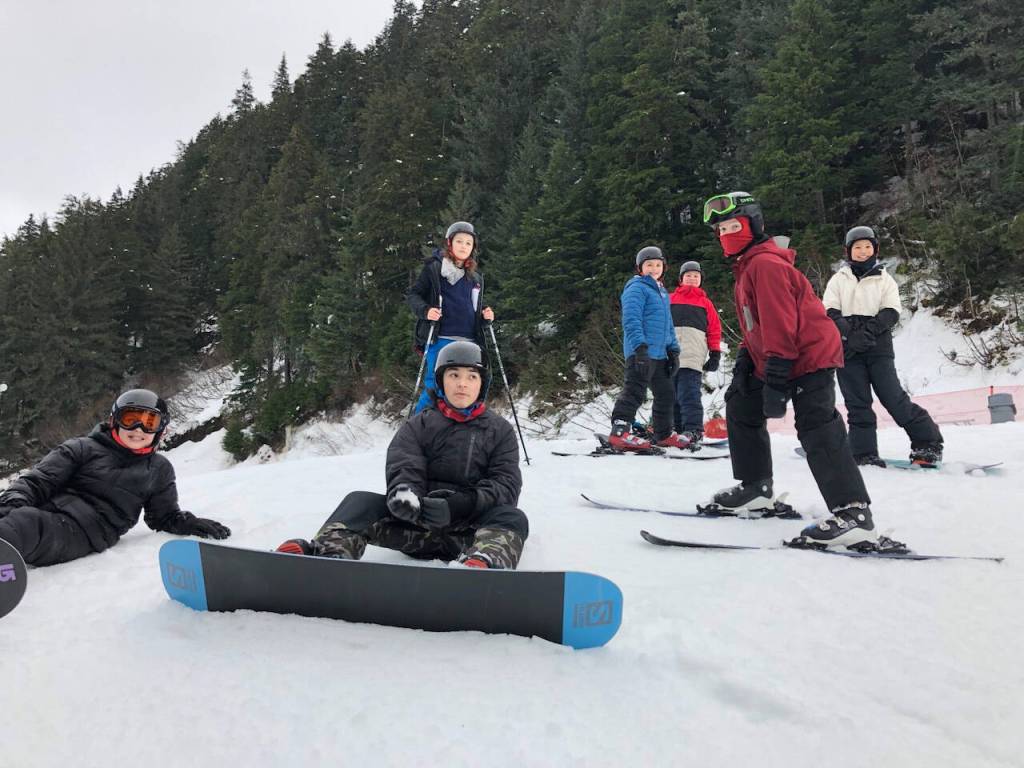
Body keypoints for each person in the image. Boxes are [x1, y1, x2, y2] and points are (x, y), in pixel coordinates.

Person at [701, 191, 878, 548]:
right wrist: (747, 361)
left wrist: (778, 375)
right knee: (740, 402)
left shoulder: (765, 264)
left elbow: (782, 323)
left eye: (733, 225)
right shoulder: (748, 265)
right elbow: (758, 324)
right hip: (776, 352)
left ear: (754, 224)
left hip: (807, 354)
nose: (726, 234)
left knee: (816, 424)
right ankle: (756, 488)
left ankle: (853, 513)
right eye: (720, 229)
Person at [277, 341, 528, 569]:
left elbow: (505, 485)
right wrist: (405, 498)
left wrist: (459, 505)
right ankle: (328, 556)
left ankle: (483, 565)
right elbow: (404, 467)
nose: (462, 383)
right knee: (359, 501)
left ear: (481, 383)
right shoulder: (418, 425)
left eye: (471, 376)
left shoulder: (500, 431)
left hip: (468, 535)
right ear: (442, 381)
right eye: (454, 375)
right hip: (415, 530)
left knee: (512, 517)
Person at [0, 389, 230, 567]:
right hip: (46, 512)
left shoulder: (158, 469)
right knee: (18, 514)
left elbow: (164, 517)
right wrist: (11, 504)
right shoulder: (81, 448)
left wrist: (188, 522)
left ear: (161, 431)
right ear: (114, 421)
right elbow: (37, 482)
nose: (139, 429)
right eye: (131, 419)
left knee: (26, 523)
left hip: (84, 532)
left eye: (150, 423)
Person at [823, 226, 943, 466]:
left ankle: (927, 444)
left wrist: (867, 332)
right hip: (846, 349)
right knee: (857, 403)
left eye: (867, 246)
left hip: (878, 346)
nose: (863, 251)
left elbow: (891, 311)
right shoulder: (838, 279)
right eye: (857, 247)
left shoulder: (885, 279)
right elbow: (829, 311)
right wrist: (849, 334)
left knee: (893, 398)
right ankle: (863, 452)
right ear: (849, 251)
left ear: (875, 249)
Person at [406, 221, 495, 414]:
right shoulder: (434, 268)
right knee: (436, 386)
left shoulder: (475, 278)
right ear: (450, 243)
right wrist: (426, 311)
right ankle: (416, 430)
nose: (464, 246)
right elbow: (413, 295)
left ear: (473, 248)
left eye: (468, 243)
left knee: (471, 388)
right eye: (460, 241)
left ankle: (461, 430)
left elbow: (474, 307)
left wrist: (485, 314)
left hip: (470, 341)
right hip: (441, 337)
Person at [606, 246, 687, 452]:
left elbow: (668, 324)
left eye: (658, 264)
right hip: (641, 352)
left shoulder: (661, 292)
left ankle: (663, 434)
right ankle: (620, 432)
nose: (654, 268)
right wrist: (639, 347)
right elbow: (631, 320)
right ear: (640, 268)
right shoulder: (636, 288)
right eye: (649, 264)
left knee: (666, 393)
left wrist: (673, 351)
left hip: (660, 355)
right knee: (635, 390)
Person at [669, 260, 722, 448]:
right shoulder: (669, 299)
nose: (692, 279)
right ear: (681, 279)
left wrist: (715, 353)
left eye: (696, 276)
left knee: (689, 394)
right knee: (671, 396)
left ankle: (693, 430)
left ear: (700, 280)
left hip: (693, 357)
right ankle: (675, 430)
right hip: (670, 357)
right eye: (688, 276)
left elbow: (714, 329)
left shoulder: (705, 303)